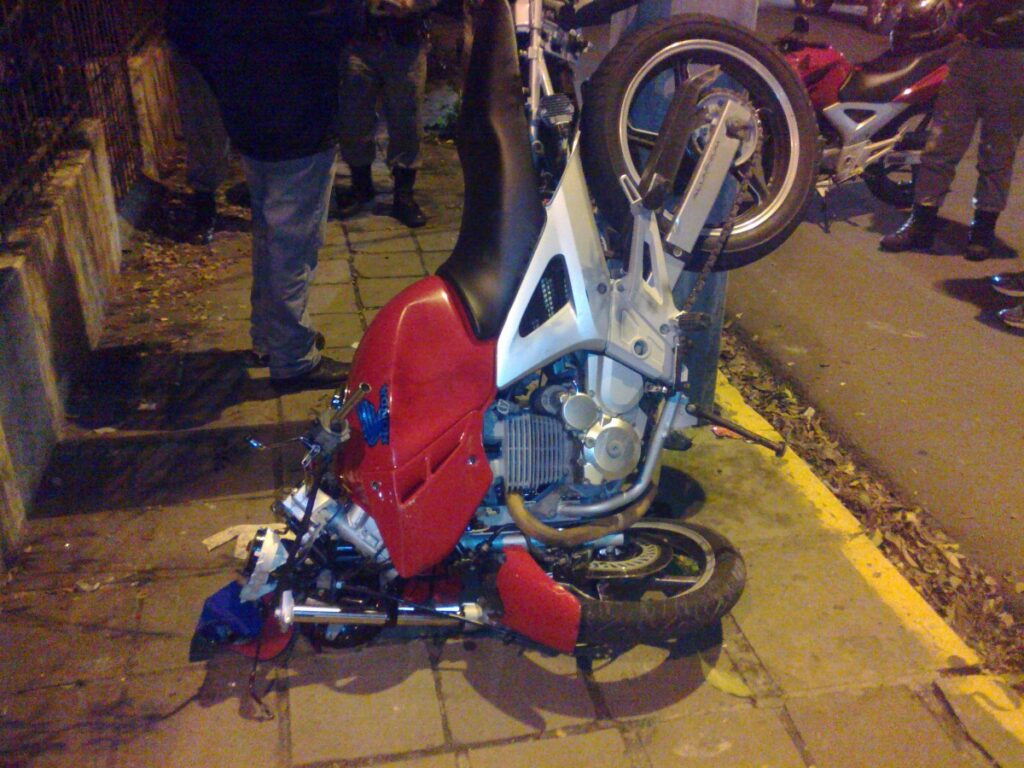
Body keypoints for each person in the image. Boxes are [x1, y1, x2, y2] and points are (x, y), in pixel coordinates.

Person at [166, 0, 351, 387]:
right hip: (300, 115)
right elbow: (335, 20)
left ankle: (271, 338)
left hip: (249, 114)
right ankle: (293, 358)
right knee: (292, 244)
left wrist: (227, 81)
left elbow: (183, 27)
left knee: (270, 235)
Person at [880, 0, 1024, 260]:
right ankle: (921, 222)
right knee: (941, 142)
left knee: (999, 149)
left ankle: (983, 230)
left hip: (1013, 55)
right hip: (969, 50)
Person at [334, 0, 434, 228]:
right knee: (353, 118)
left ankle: (403, 195)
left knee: (407, 120)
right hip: (357, 40)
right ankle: (361, 186)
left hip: (405, 41)